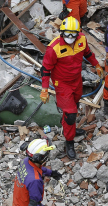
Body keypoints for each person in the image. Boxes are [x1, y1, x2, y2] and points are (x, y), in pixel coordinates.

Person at [41, 17, 102, 159]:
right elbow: (45, 69)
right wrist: (44, 89)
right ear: (61, 32)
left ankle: (71, 129)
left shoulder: (81, 39)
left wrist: (96, 65)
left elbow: (87, 53)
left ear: (77, 33)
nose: (70, 37)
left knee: (74, 105)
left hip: (76, 80)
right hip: (62, 84)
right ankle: (69, 142)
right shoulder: (54, 48)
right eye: (67, 34)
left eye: (73, 34)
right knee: (70, 114)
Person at [12, 139, 62, 206]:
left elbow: (37, 168)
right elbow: (34, 205)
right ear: (41, 158)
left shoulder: (26, 161)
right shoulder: (35, 180)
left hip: (22, 202)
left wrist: (51, 173)